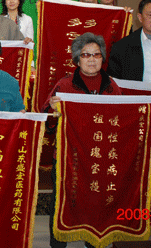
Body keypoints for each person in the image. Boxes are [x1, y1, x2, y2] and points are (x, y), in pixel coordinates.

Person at [43, 32, 122, 248]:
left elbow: (123, 119)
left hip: (100, 156)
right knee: (61, 202)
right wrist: (53, 110)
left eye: (97, 55)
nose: (92, 59)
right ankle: (58, 243)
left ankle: (92, 240)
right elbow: (48, 124)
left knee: (95, 200)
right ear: (77, 60)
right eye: (86, 55)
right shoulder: (65, 85)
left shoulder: (112, 86)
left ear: (102, 58)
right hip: (69, 157)